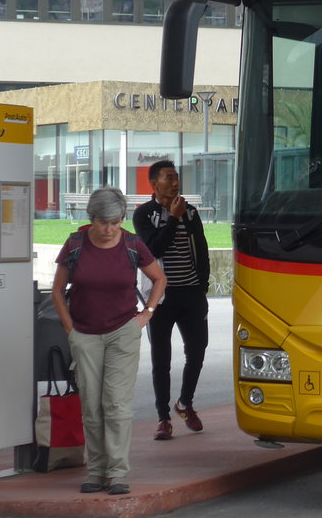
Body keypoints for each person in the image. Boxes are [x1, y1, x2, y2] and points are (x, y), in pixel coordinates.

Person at [51, 187, 165, 495]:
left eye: (115, 222)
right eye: (103, 222)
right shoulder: (75, 243)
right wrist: (70, 328)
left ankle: (117, 473)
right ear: (92, 219)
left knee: (116, 404)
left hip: (122, 332)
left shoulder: (131, 244)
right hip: (85, 334)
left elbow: (159, 278)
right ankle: (96, 470)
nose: (109, 229)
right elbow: (57, 290)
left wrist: (147, 313)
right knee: (92, 405)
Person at [133, 159, 211, 441]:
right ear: (154, 184)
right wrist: (173, 218)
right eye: (169, 178)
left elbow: (201, 249)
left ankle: (185, 403)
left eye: (177, 177)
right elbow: (152, 250)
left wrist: (202, 285)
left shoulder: (190, 212)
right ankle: (163, 418)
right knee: (161, 358)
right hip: (160, 297)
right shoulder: (143, 215)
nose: (176, 183)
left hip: (190, 294)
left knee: (197, 350)